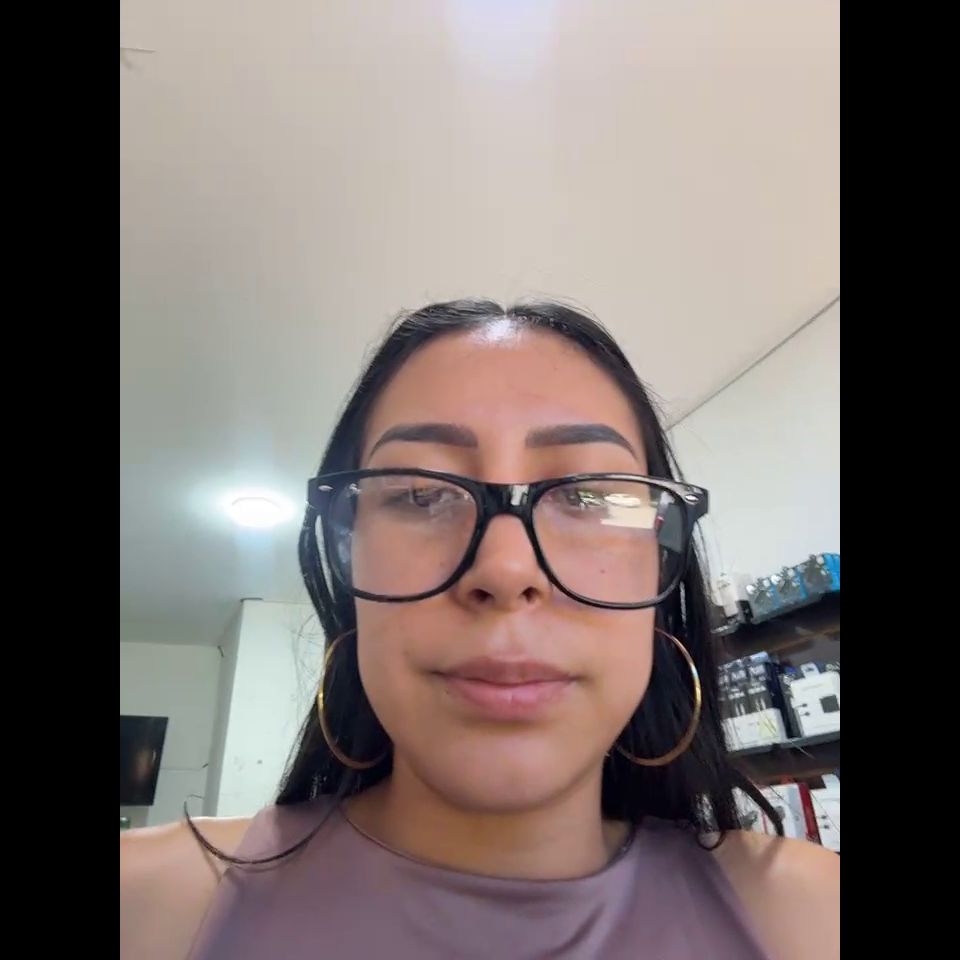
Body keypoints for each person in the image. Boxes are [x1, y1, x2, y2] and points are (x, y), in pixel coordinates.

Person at [120, 300, 840, 960]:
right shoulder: (144, 905)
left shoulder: (813, 916)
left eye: (589, 495)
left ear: (661, 572)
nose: (505, 568)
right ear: (347, 563)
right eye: (420, 493)